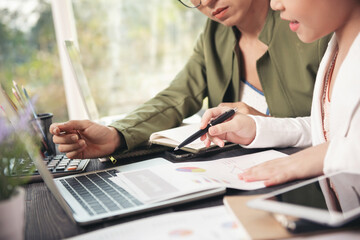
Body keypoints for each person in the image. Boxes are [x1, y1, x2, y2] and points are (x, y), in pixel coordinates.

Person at [50, 0, 330, 159]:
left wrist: (264, 125)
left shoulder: (313, 22)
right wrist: (115, 134)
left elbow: (341, 132)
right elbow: (176, 97)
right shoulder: (214, 35)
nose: (206, 2)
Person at [200, 0, 360, 186]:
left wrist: (314, 158)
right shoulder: (336, 48)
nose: (274, 4)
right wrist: (258, 127)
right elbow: (332, 131)